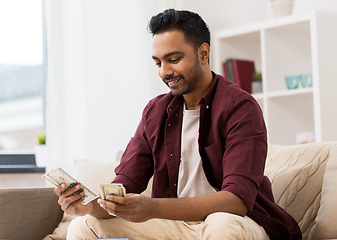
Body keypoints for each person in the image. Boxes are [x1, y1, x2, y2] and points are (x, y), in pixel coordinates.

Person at [54, 9, 302, 240]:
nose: (164, 71)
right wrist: (89, 206)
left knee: (222, 225)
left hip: (237, 221)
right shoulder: (155, 111)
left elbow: (236, 201)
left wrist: (153, 207)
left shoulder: (240, 107)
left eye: (173, 59)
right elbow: (124, 184)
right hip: (173, 223)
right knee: (83, 224)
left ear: (203, 54)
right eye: (158, 62)